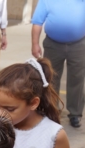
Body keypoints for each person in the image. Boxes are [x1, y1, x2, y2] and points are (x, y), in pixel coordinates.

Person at [31, 0, 85, 128]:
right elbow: (37, 23)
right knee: (50, 79)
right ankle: (52, 112)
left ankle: (75, 114)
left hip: (79, 45)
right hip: (53, 45)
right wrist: (35, 44)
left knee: (77, 79)